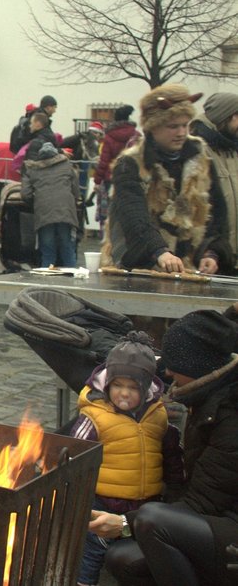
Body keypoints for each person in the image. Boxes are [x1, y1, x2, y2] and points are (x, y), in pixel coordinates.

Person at [91, 309, 238, 586]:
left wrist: (125, 523)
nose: (168, 372)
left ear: (197, 365)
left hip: (230, 535)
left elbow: (204, 502)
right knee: (123, 559)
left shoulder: (230, 415)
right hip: (217, 521)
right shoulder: (211, 393)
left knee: (151, 521)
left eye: (175, 364)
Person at [71, 331, 184, 586]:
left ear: (145, 389)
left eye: (133, 387)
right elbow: (74, 455)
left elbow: (171, 453)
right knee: (93, 550)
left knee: (141, 554)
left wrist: (176, 484)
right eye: (118, 385)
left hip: (148, 501)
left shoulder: (158, 415)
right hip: (104, 498)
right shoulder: (95, 418)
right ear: (107, 384)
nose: (124, 393)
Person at [102, 84, 232, 274]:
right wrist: (159, 251)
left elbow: (217, 213)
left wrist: (211, 253)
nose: (181, 133)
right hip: (139, 267)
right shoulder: (131, 163)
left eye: (185, 125)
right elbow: (134, 216)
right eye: (173, 126)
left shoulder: (202, 159)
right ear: (153, 127)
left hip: (190, 268)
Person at [190, 93, 238, 273]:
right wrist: (211, 250)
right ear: (226, 116)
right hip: (210, 256)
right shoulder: (199, 151)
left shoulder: (232, 150)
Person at [21, 139, 81, 267]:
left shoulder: (32, 169)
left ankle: (47, 278)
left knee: (48, 249)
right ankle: (72, 276)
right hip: (65, 210)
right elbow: (76, 191)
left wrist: (36, 203)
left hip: (44, 212)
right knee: (67, 247)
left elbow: (25, 194)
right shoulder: (67, 166)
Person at [94, 105, 138, 235]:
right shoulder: (136, 135)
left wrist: (97, 180)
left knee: (111, 214)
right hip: (131, 179)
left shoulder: (109, 137)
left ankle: (110, 239)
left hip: (111, 179)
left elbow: (104, 161)